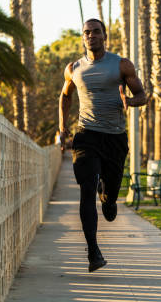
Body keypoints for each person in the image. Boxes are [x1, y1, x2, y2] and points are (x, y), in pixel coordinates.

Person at [58, 18, 146, 272]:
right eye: (87, 32)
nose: (91, 36)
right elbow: (65, 97)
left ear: (104, 36)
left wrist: (129, 102)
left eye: (96, 32)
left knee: (109, 197)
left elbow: (142, 95)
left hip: (114, 138)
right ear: (83, 37)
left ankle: (108, 198)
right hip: (86, 135)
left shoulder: (121, 65)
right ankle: (93, 252)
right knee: (86, 191)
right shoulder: (73, 68)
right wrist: (62, 128)